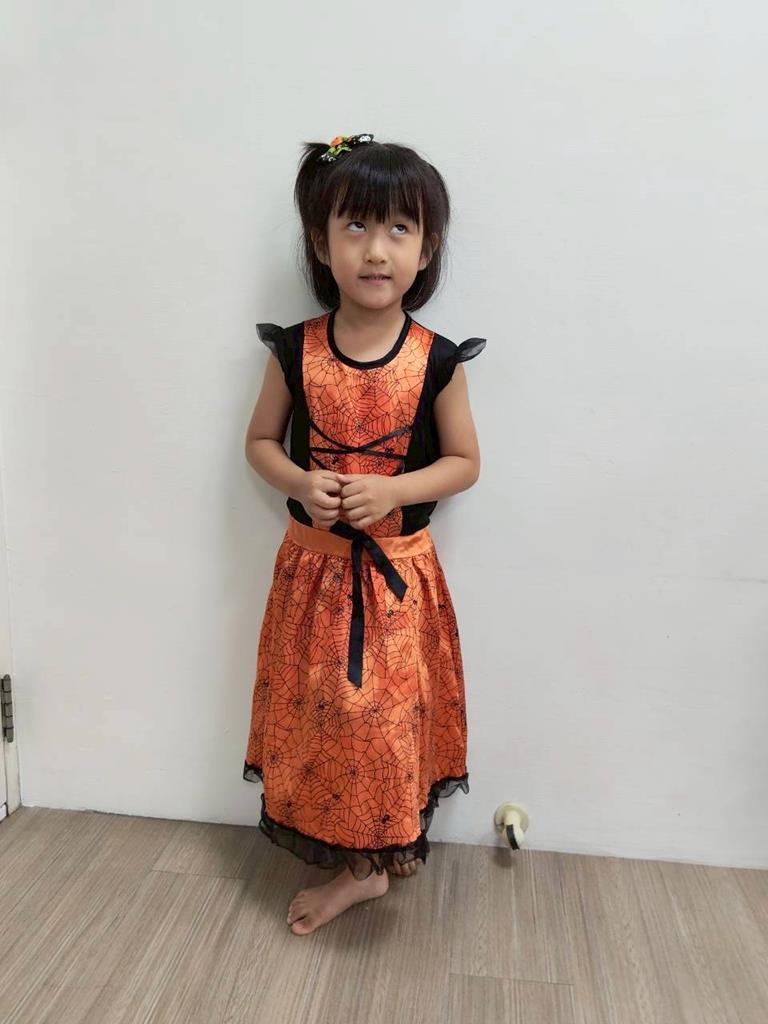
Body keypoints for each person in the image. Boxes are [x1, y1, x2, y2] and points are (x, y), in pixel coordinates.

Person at [243, 132, 486, 935]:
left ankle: (369, 866)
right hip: (312, 577)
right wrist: (298, 482)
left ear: (427, 248)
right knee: (322, 718)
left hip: (397, 585)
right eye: (354, 227)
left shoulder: (436, 360)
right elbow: (259, 443)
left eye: (398, 229)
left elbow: (464, 463)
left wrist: (393, 490)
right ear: (321, 243)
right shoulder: (296, 350)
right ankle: (360, 862)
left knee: (382, 723)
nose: (376, 250)